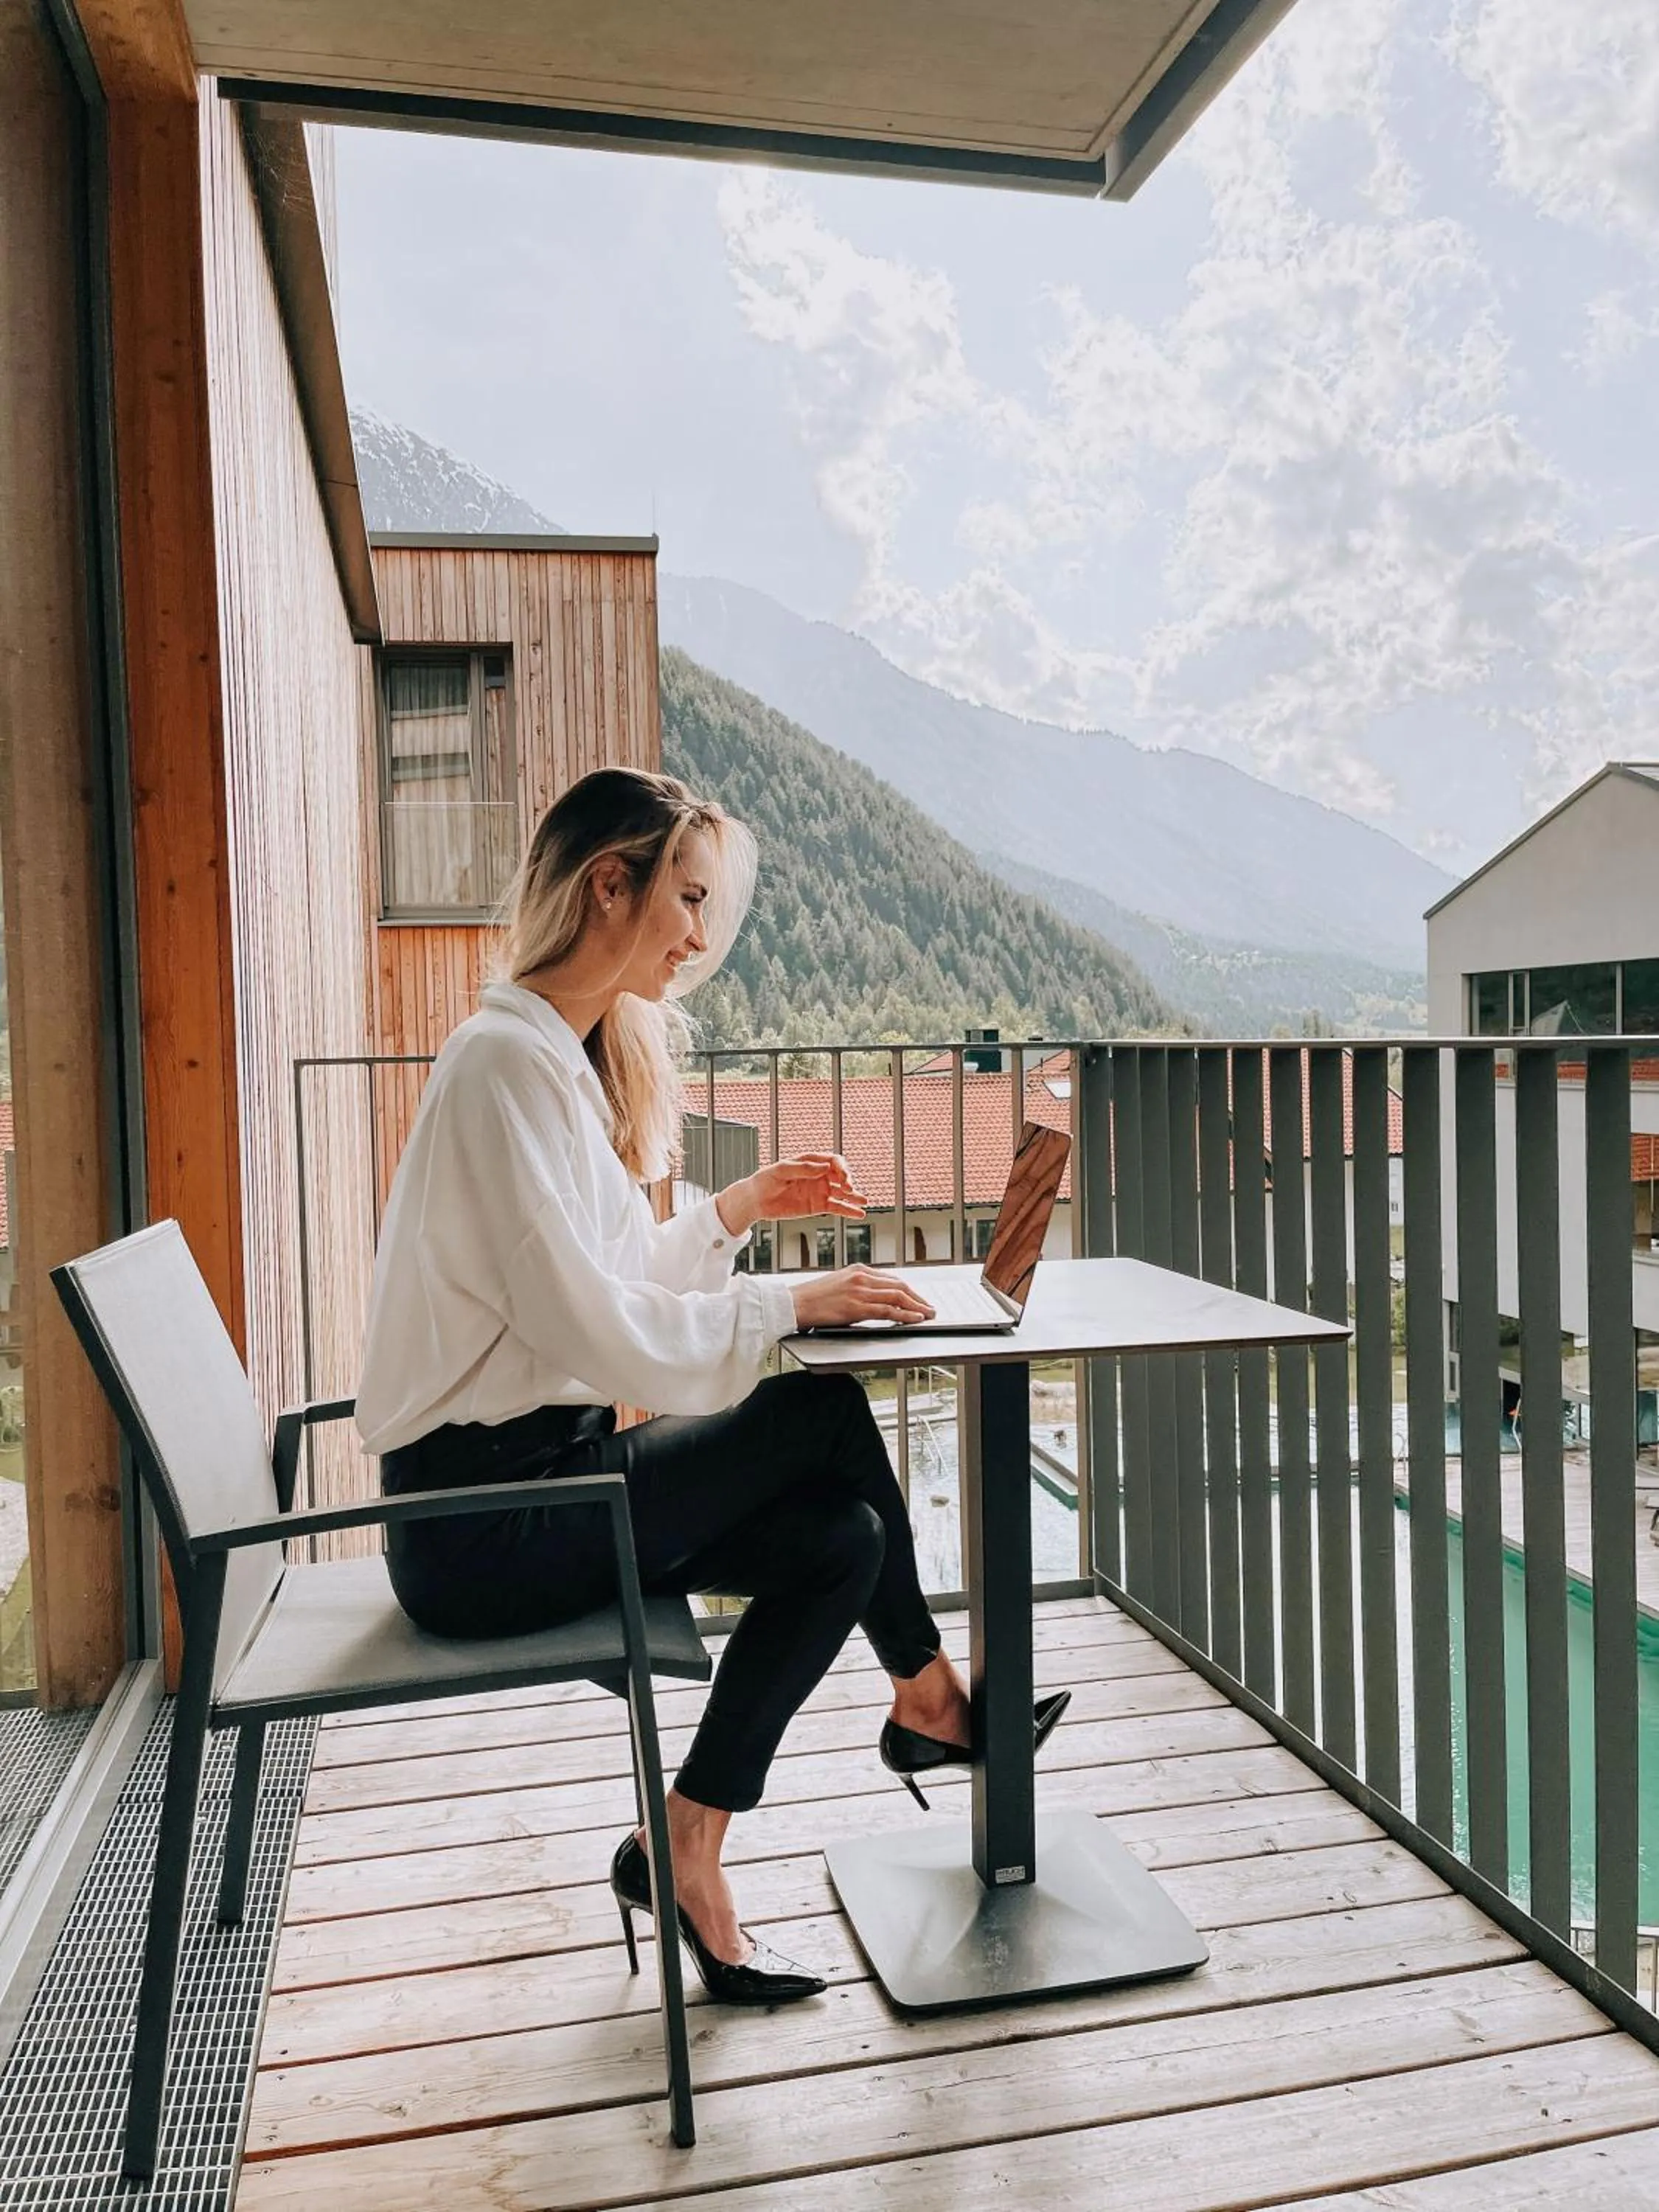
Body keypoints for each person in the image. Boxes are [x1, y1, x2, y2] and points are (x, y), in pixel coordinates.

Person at [354, 767, 1068, 2004]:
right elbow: (598, 1323)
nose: (696, 936)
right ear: (607, 885)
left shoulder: (549, 1063)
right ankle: (929, 1701)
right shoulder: (500, 1068)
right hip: (482, 1525)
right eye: (682, 900)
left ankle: (688, 1841)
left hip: (536, 1490)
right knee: (820, 1407)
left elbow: (608, 1274)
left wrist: (739, 1210)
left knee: (839, 1539)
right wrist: (790, 1304)